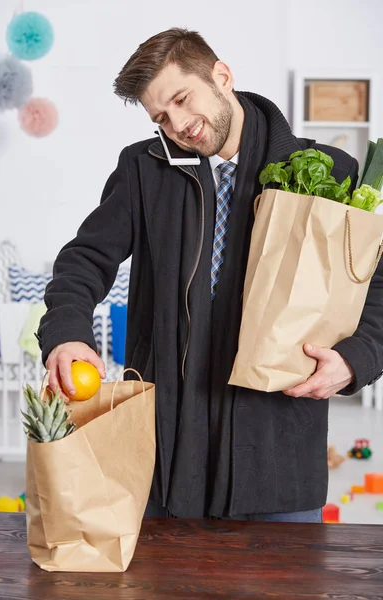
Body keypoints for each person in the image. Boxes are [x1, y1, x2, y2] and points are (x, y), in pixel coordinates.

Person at [38, 28, 383, 522]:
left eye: (182, 98)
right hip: (165, 448)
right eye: (161, 116)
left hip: (278, 452)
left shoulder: (330, 171)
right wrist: (66, 335)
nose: (178, 124)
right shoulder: (143, 168)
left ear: (221, 75)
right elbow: (84, 259)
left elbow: (378, 283)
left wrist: (356, 360)